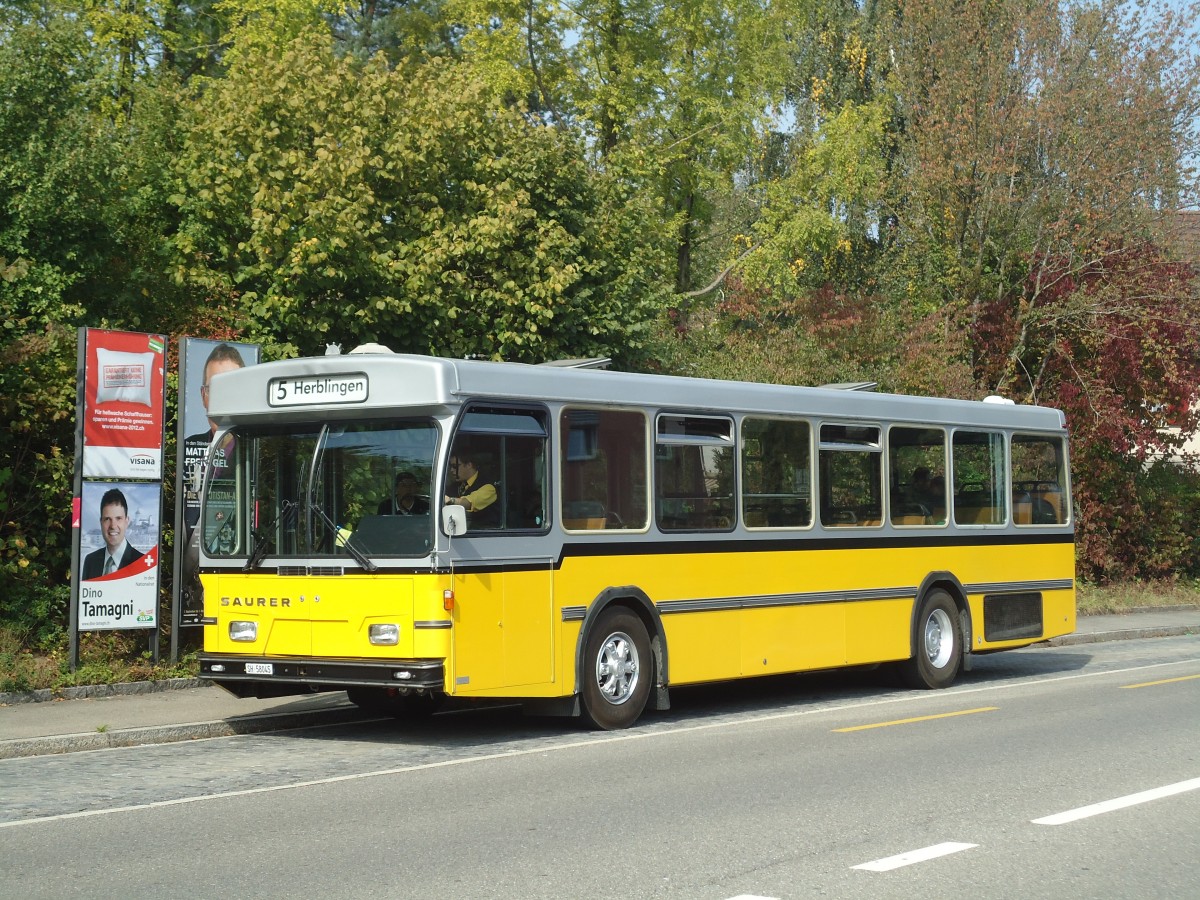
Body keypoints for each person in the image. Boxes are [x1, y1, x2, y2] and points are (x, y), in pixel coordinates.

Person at [82, 488, 144, 579]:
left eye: (118, 518)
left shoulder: (141, 563)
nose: (113, 526)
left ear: (127, 521)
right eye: (107, 519)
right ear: (101, 522)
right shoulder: (90, 561)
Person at [444, 450, 497, 516]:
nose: (451, 470)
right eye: (450, 466)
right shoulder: (454, 486)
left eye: (455, 466)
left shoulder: (488, 487)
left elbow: (469, 503)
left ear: (469, 465)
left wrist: (449, 500)